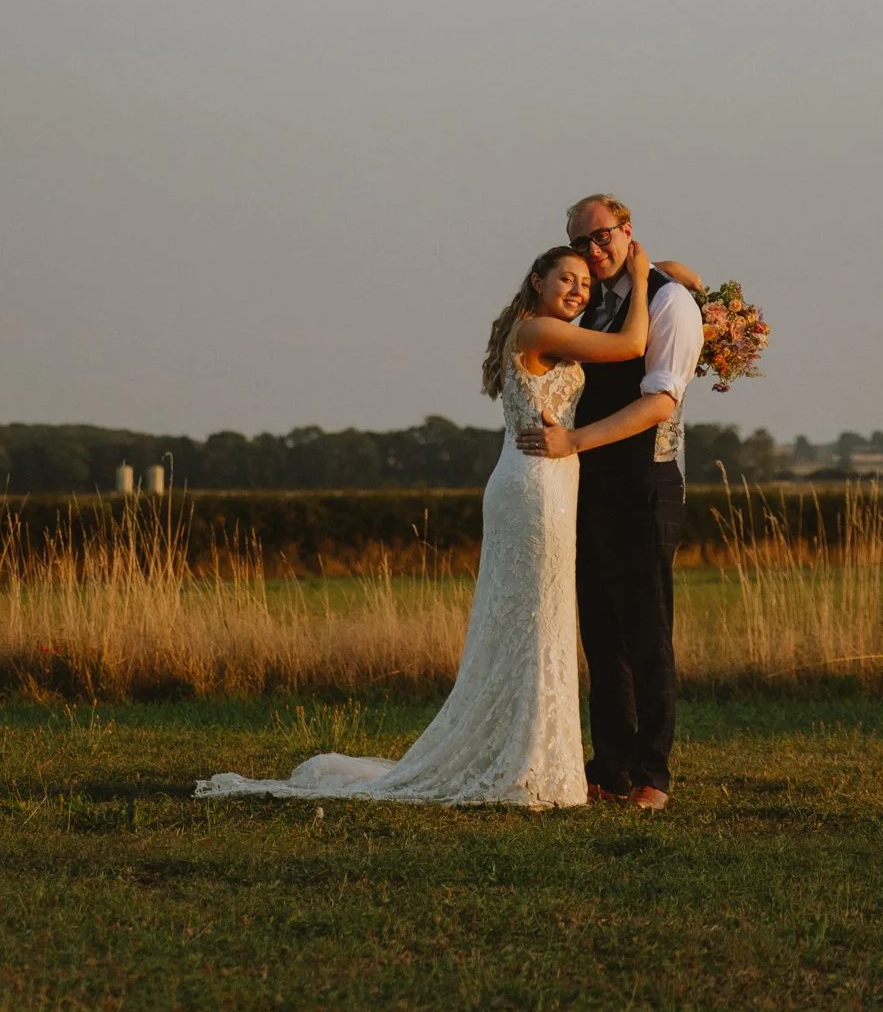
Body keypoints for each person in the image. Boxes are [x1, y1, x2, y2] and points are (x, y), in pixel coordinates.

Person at [194, 242, 674, 809]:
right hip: (536, 486)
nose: (578, 290)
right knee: (534, 620)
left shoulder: (541, 328)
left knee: (538, 620)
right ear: (537, 282)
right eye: (566, 279)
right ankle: (525, 759)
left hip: (549, 480)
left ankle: (533, 755)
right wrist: (643, 280)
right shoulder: (536, 331)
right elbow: (632, 345)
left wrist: (674, 274)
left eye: (586, 285)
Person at [515, 194, 705, 813]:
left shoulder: (669, 303)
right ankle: (611, 767)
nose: (592, 252)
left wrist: (574, 440)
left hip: (645, 486)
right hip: (585, 487)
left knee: (647, 633)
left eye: (602, 238)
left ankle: (654, 775)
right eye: (580, 241)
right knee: (601, 634)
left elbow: (660, 402)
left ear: (628, 233)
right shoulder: (588, 303)